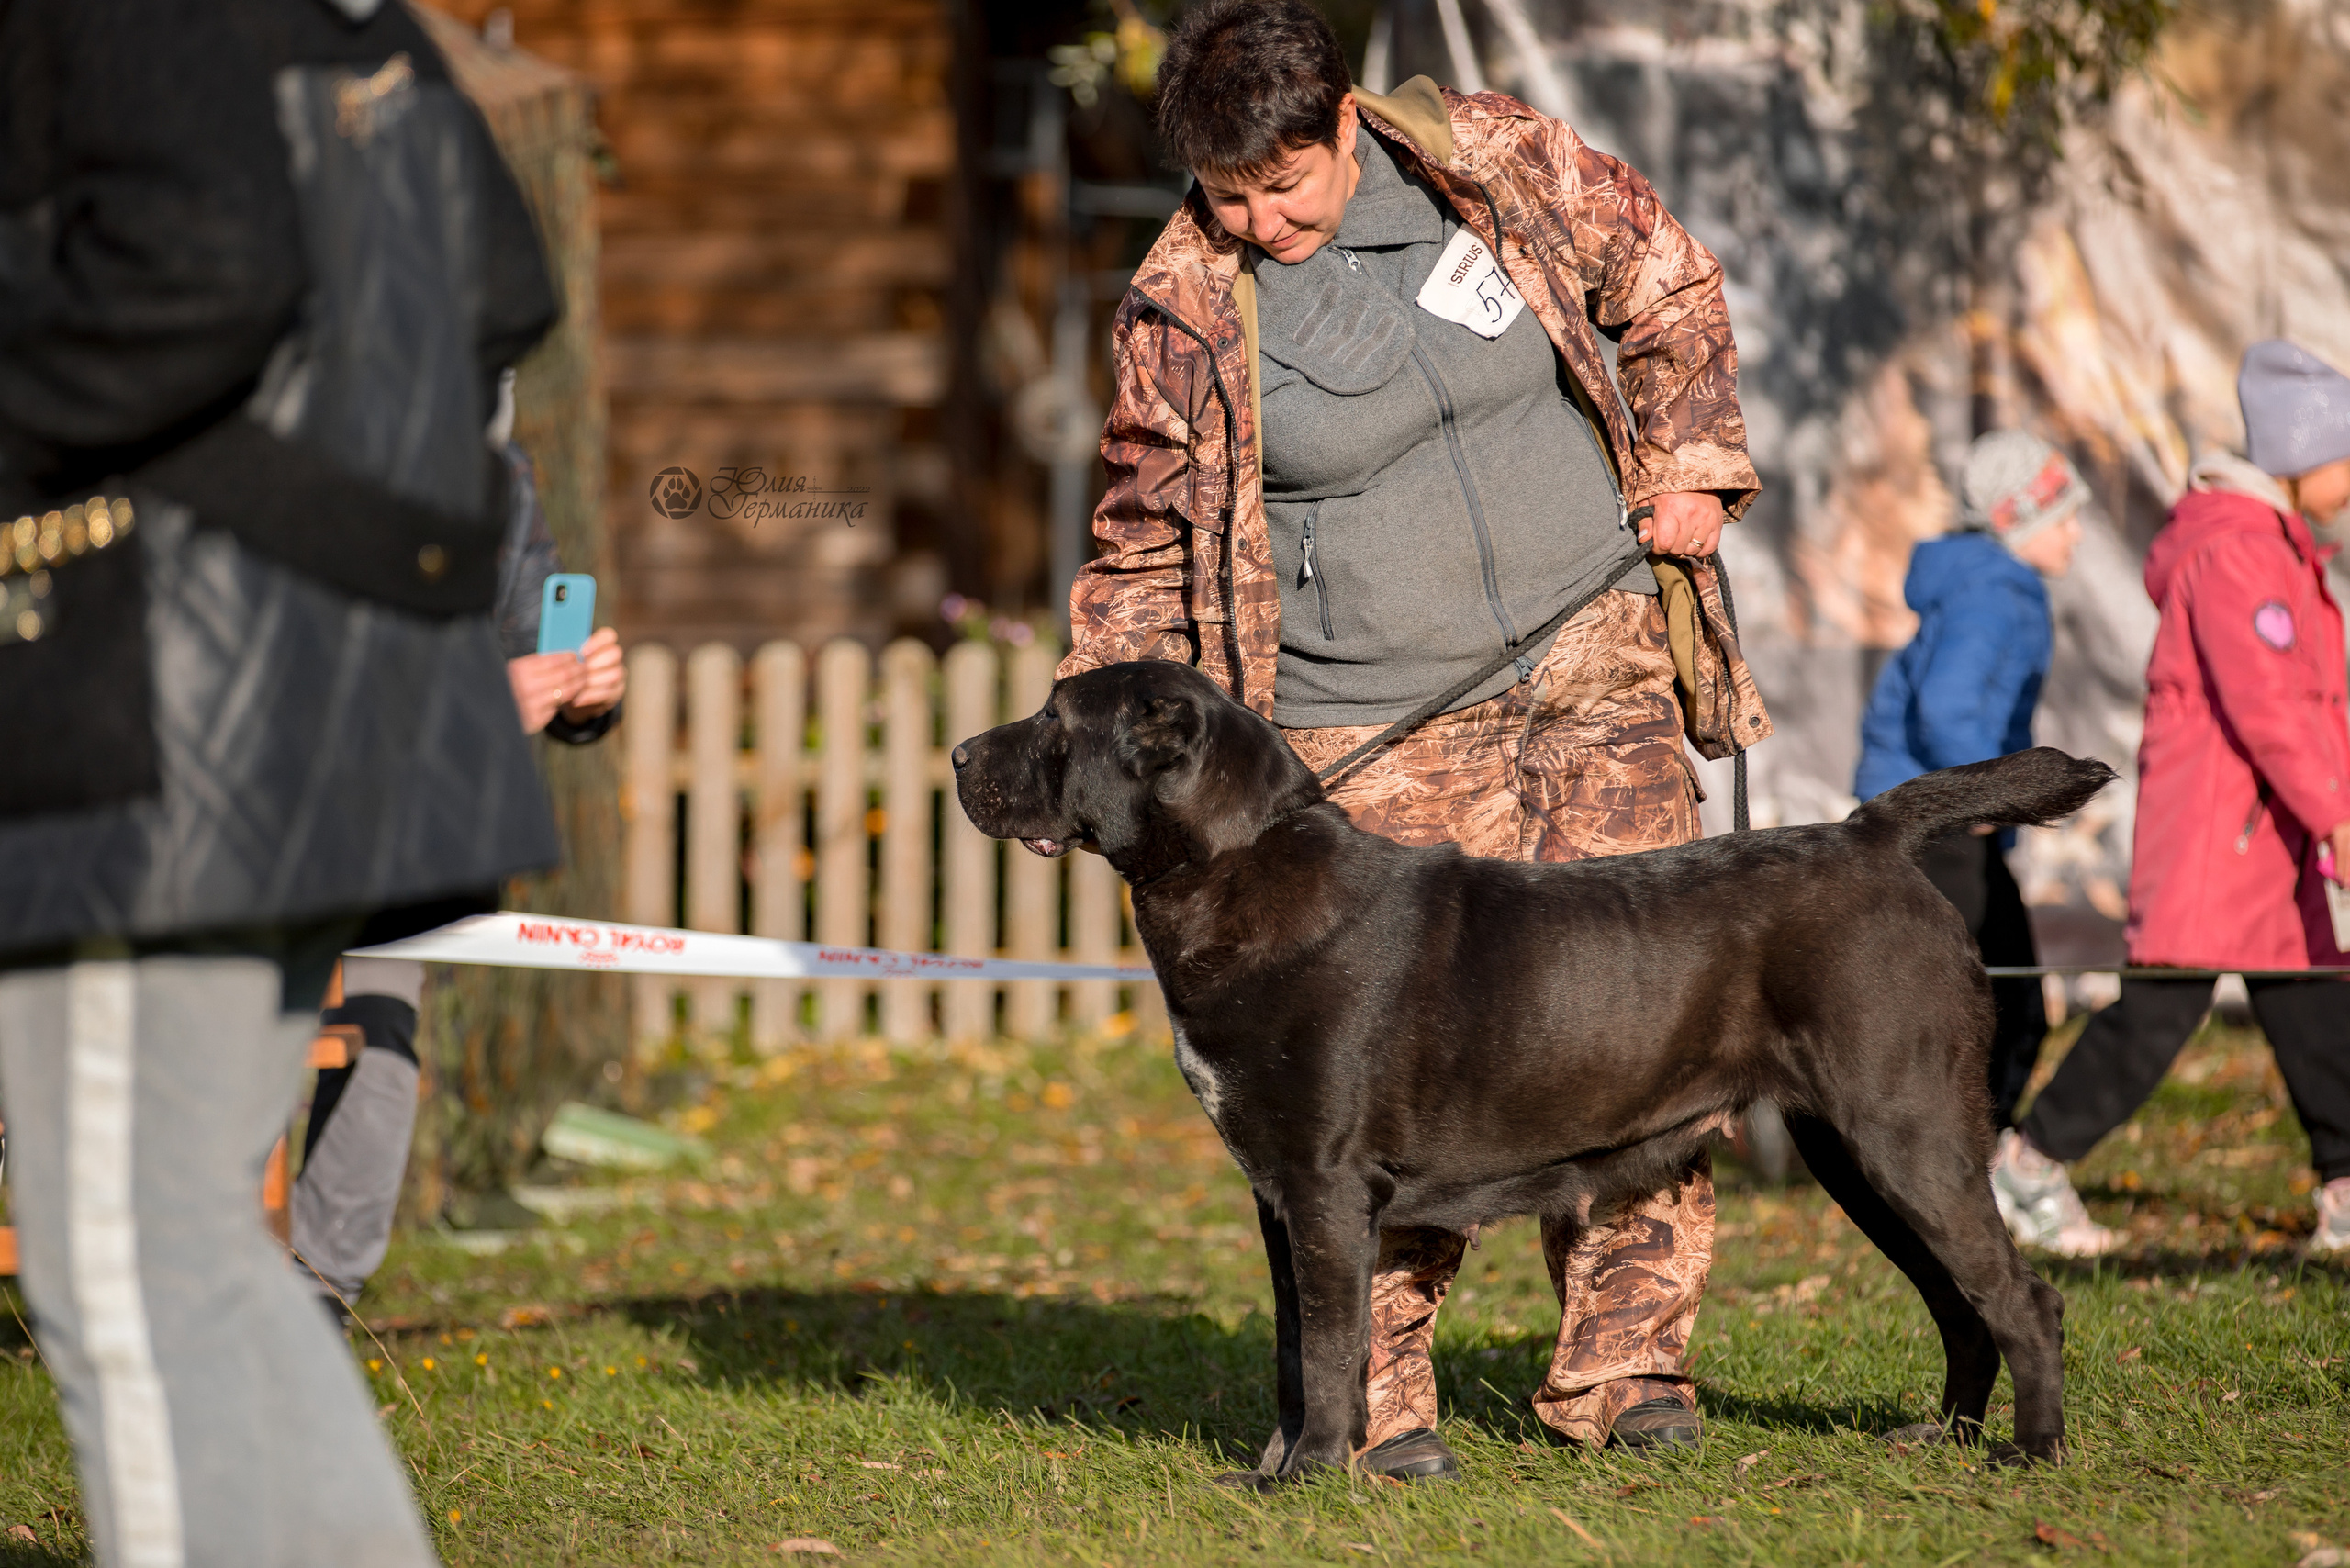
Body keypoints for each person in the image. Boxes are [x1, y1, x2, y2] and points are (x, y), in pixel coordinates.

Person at [1061, 0, 1769, 1476]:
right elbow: (1139, 540)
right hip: (1370, 719)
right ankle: (1377, 1404)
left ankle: (1627, 1373)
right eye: (1227, 194)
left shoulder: (1493, 162)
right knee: (1379, 1076)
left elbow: (1671, 286)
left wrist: (1694, 463)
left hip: (1598, 666)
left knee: (1646, 1027)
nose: (1258, 220)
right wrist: (1095, 756)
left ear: (1344, 123)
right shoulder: (1183, 300)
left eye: (1284, 185)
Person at [0, 3, 559, 1563]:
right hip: (351, 691)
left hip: (163, 722)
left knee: (124, 1272)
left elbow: (200, 267)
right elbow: (507, 282)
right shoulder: (350, 14)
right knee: (210, 1263)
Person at [1990, 339, 2350, 1258]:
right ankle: (2026, 1165)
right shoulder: (2237, 550)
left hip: (2270, 838)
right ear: (2303, 456)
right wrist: (2337, 814)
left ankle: (2346, 1188)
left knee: (2314, 1006)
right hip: (2216, 839)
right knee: (2155, 1016)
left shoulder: (2270, 544)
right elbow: (2271, 706)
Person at [292, 420, 625, 1317]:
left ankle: (320, 1294)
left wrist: (582, 697)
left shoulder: (497, 469)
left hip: (392, 836)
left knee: (382, 1010)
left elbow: (527, 646)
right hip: (257, 810)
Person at [1854, 431, 2087, 1129]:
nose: (2077, 533)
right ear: (2019, 519)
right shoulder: (1994, 591)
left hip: (1944, 817)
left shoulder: (1991, 584)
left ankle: (1976, 1156)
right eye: (2065, 515)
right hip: (1941, 820)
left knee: (1999, 996)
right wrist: (1984, 792)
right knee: (1985, 1004)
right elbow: (1947, 703)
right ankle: (1961, 1157)